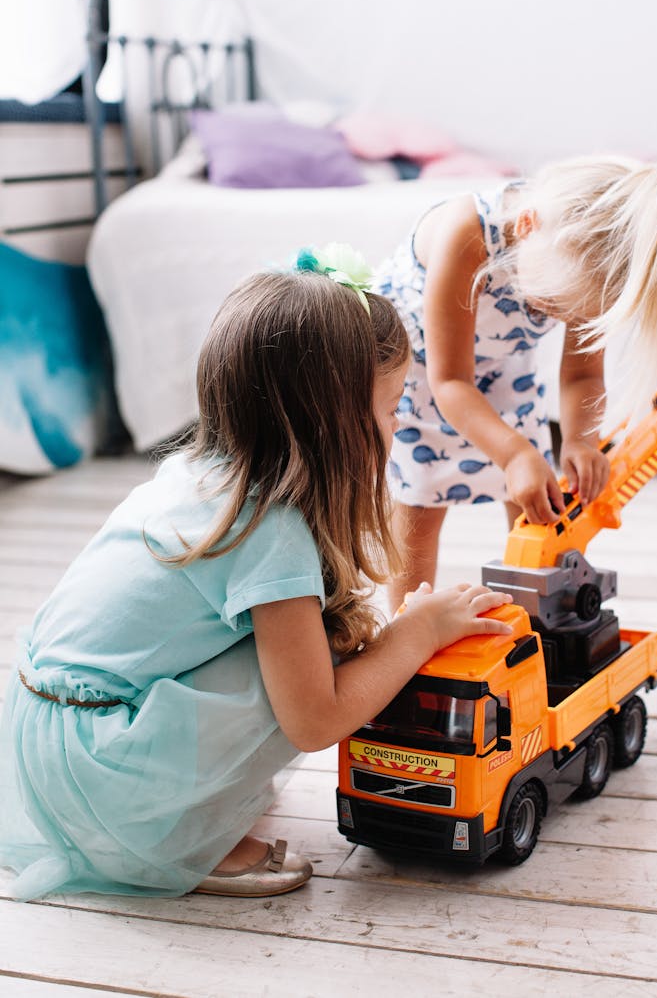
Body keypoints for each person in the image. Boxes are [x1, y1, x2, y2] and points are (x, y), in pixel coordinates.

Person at [0, 246, 513, 903]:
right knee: (314, 664)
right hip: (96, 773)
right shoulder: (270, 533)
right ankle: (176, 833)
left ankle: (170, 805)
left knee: (308, 642)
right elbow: (315, 720)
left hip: (45, 734)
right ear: (335, 428)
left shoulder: (195, 476)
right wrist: (417, 631)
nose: (397, 426)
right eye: (390, 409)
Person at [374, 156, 657, 611]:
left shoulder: (585, 258)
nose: (558, 318)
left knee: (537, 496)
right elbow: (449, 380)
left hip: (505, 365)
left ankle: (543, 620)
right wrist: (514, 453)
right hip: (423, 369)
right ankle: (404, 627)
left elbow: (583, 374)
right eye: (550, 303)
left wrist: (580, 441)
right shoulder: (465, 231)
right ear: (526, 226)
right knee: (421, 505)